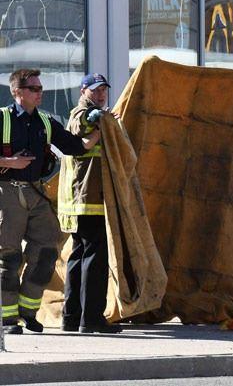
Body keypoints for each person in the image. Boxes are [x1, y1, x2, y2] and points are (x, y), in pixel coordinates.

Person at [0, 68, 101, 335]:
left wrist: (99, 132)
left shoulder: (45, 121)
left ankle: (27, 312)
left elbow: (74, 146)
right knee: (8, 258)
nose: (39, 93)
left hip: (36, 192)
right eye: (34, 89)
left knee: (46, 253)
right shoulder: (2, 119)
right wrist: (8, 162)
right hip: (7, 193)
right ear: (17, 92)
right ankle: (7, 320)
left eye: (40, 88)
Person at [57, 73, 122, 334]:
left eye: (103, 90)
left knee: (77, 257)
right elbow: (79, 124)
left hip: (79, 200)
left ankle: (71, 317)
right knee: (94, 260)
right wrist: (95, 120)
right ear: (84, 90)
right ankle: (92, 319)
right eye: (95, 91)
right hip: (88, 199)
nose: (100, 95)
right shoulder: (81, 112)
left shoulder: (100, 114)